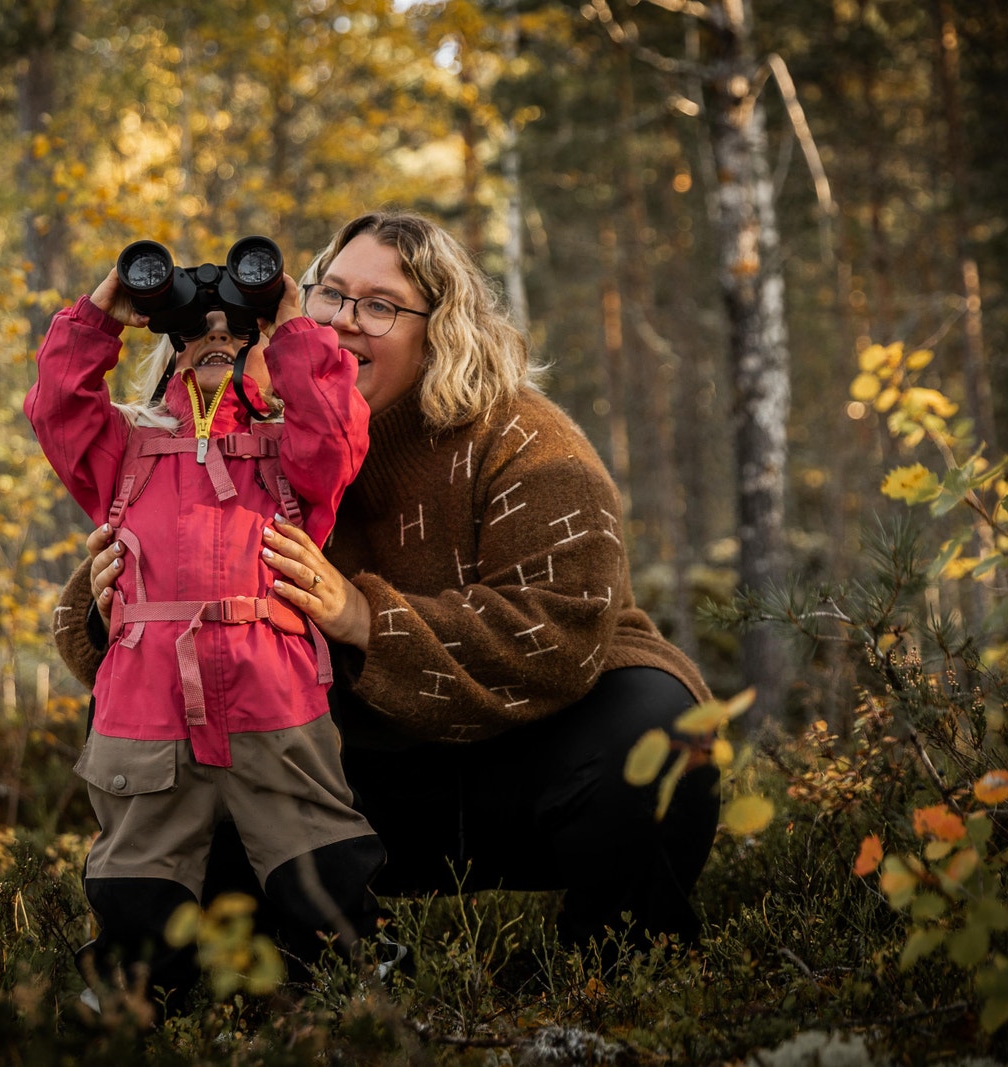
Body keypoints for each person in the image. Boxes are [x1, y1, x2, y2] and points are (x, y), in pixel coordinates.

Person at [56, 210, 718, 957]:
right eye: (328, 296)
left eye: (380, 306)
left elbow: (561, 633)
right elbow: (97, 635)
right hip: (345, 783)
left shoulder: (526, 439)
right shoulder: (240, 429)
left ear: (442, 329)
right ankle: (267, 968)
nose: (342, 323)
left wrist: (362, 616)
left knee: (656, 720)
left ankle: (617, 966)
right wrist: (103, 613)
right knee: (180, 699)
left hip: (524, 763)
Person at [23, 259, 386, 1012]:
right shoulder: (126, 449)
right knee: (137, 870)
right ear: (170, 348)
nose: (214, 338)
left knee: (317, 857)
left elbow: (338, 423)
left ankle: (346, 990)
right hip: (146, 702)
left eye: (235, 330)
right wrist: (102, 315)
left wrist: (292, 320)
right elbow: (58, 409)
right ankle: (134, 994)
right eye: (195, 331)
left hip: (273, 693)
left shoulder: (293, 452)